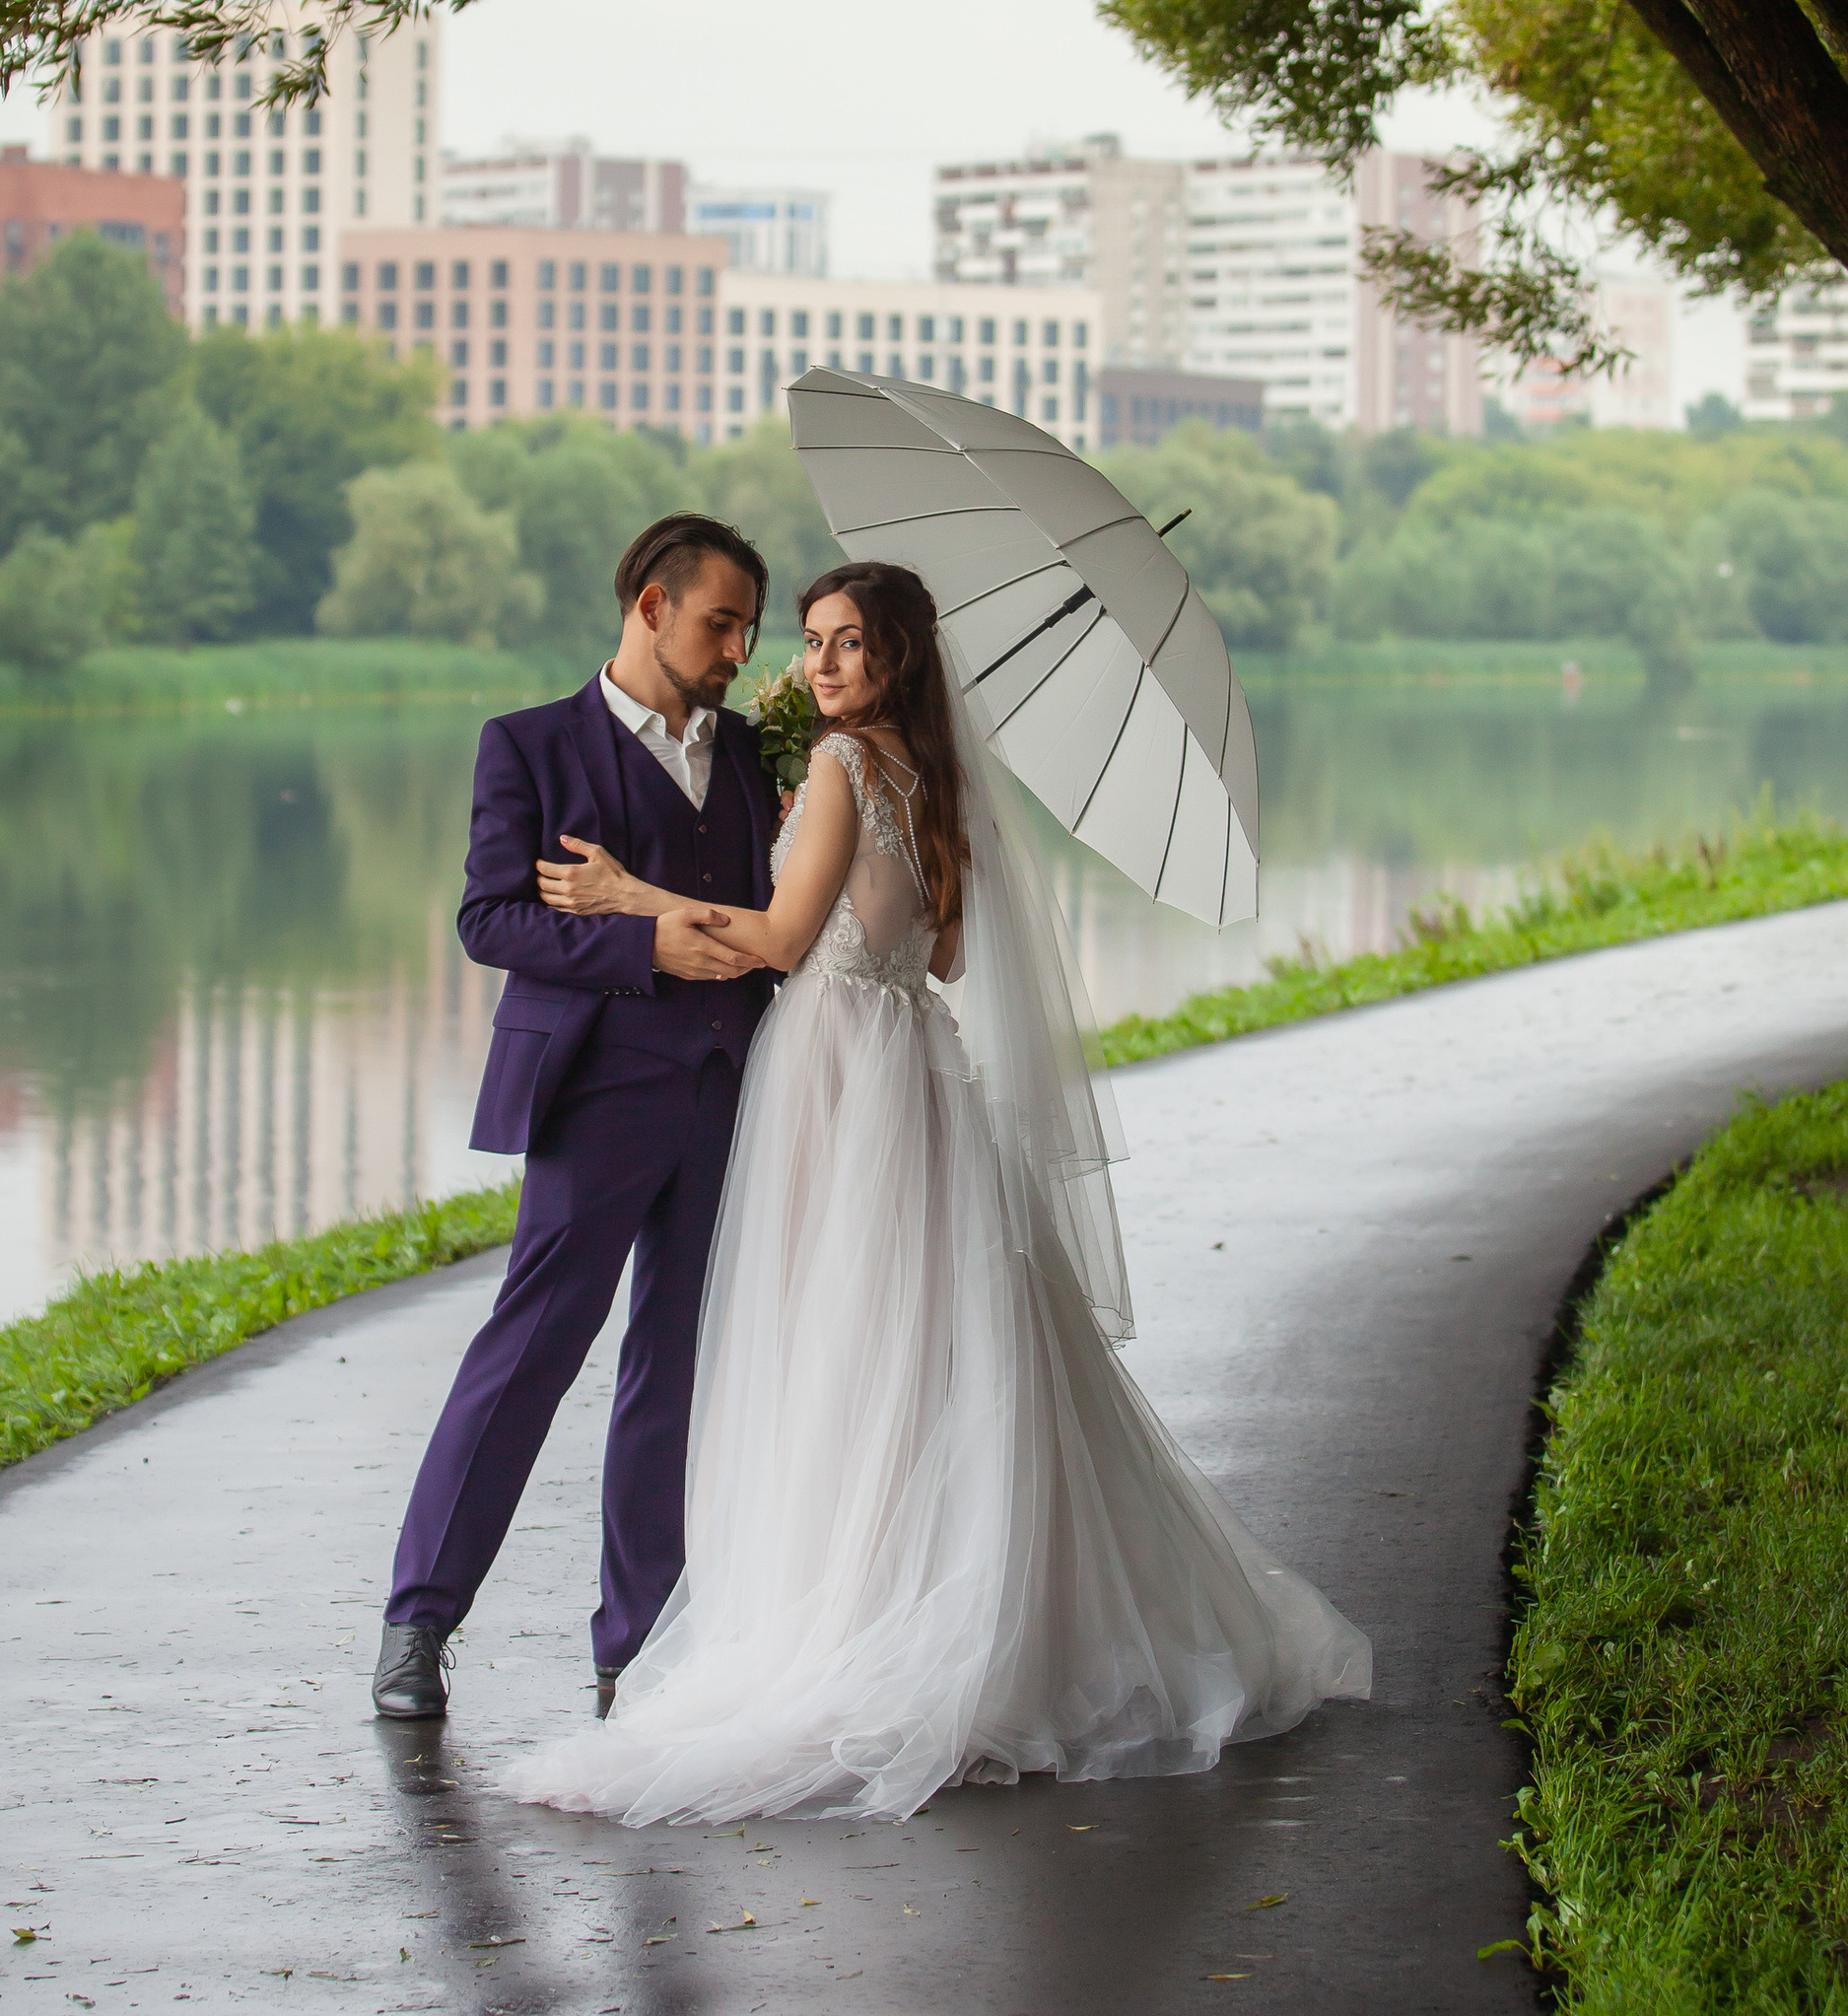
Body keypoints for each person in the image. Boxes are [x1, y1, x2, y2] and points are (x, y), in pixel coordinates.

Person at [507, 557, 1371, 1823]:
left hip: (840, 1064)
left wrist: (632, 894)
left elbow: (783, 942)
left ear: (899, 653)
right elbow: (942, 947)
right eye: (809, 642)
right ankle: (938, 1587)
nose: (819, 665)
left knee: (850, 1341)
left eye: (847, 642)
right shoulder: (939, 780)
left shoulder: (850, 768)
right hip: (910, 1062)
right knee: (920, 1335)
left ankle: (858, 1608)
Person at [371, 516, 777, 1724]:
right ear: (651, 606)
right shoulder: (530, 746)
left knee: (678, 1359)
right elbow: (491, 921)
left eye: (753, 629)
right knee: (531, 1350)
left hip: (732, 1092)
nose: (737, 649)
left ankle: (635, 1646)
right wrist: (639, 941)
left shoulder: (756, 756)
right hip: (594, 1094)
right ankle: (418, 1621)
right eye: (720, 623)